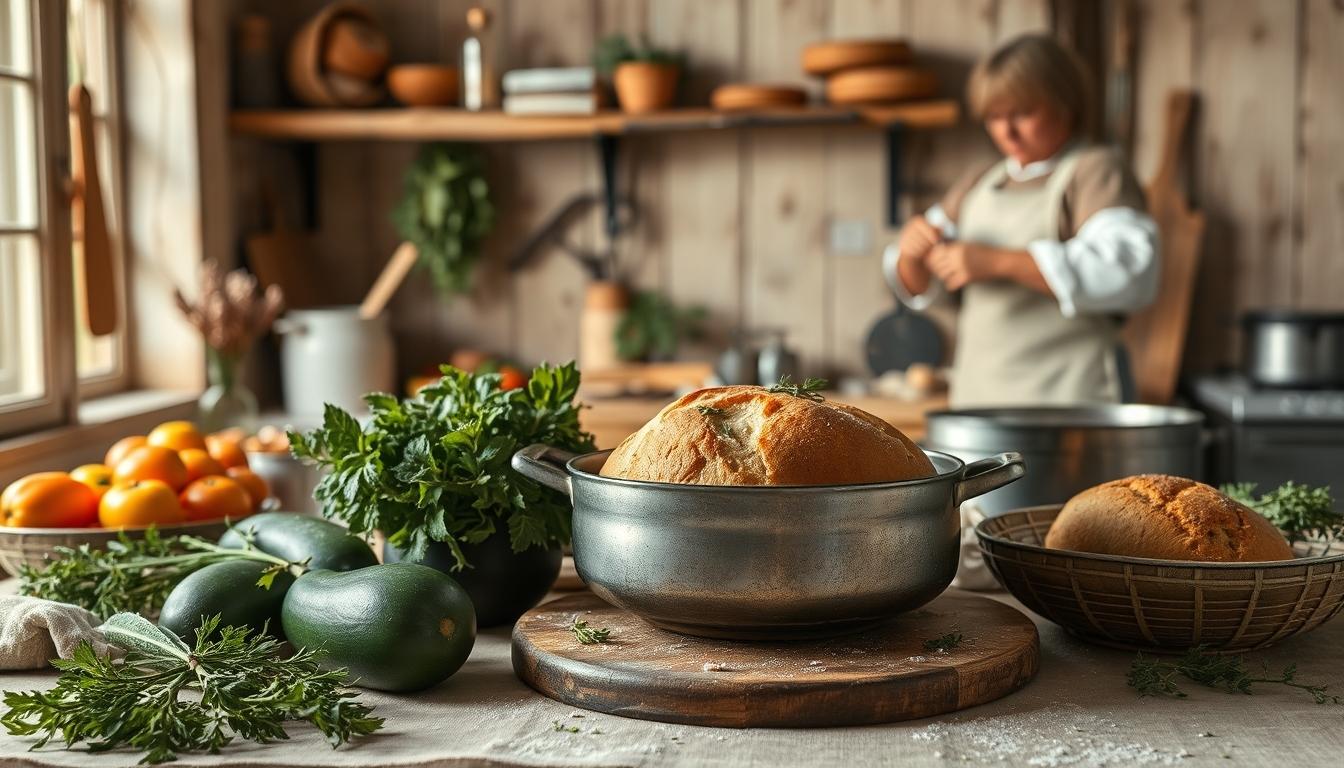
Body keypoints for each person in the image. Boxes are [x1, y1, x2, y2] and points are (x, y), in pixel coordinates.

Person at [885, 34, 1159, 407]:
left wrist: (995, 262)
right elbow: (919, 283)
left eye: (1023, 114)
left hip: (1072, 403)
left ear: (1066, 105)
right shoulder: (980, 182)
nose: (1006, 132)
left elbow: (1128, 272)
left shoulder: (1095, 171)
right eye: (995, 117)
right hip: (978, 401)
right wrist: (911, 254)